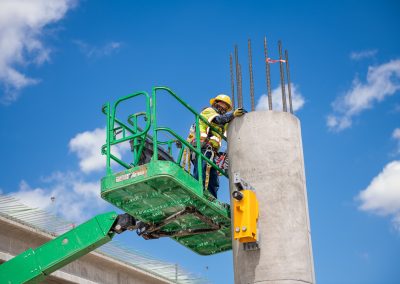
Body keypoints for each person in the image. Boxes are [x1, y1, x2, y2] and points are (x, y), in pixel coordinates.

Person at [193, 94, 246, 198]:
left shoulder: (224, 122)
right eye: (223, 104)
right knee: (202, 171)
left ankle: (212, 198)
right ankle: (197, 192)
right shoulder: (208, 111)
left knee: (213, 178)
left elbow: (229, 130)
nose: (224, 107)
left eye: (226, 106)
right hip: (201, 146)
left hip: (211, 151)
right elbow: (218, 120)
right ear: (216, 103)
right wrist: (233, 115)